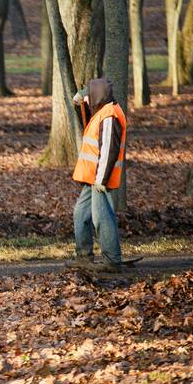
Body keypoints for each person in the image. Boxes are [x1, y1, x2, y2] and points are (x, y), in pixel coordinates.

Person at [71, 77, 127, 272]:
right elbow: (82, 106)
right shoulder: (101, 112)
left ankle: (112, 260)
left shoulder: (110, 115)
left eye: (89, 95)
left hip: (99, 178)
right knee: (81, 214)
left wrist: (101, 180)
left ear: (98, 96)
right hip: (92, 177)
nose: (87, 99)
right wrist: (80, 96)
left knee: (102, 218)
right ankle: (83, 257)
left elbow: (109, 150)